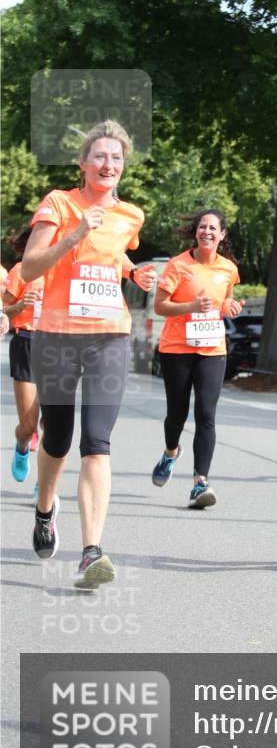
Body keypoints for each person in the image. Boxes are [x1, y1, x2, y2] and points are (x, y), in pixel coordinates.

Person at [21, 119, 156, 589]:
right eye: (100, 156)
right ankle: (44, 508)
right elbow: (29, 267)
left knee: (97, 442)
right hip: (57, 337)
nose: (109, 164)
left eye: (116, 158)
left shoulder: (131, 216)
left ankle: (91, 552)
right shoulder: (59, 204)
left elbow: (113, 253)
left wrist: (135, 273)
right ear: (83, 164)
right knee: (57, 438)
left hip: (110, 338)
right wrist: (74, 234)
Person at [151, 209, 244, 508]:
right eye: (202, 227)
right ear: (196, 232)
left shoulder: (228, 268)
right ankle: (170, 453)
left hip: (213, 350)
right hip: (177, 349)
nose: (207, 232)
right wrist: (191, 306)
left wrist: (230, 306)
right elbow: (160, 307)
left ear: (222, 234)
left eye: (213, 228)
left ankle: (199, 483)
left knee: (206, 414)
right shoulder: (178, 265)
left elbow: (226, 298)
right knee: (176, 414)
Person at [3, 226, 44, 482]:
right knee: (28, 426)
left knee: (54, 423)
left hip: (59, 346)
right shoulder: (21, 271)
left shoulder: (67, 272)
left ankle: (44, 486)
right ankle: (22, 446)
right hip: (27, 343)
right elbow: (3, 309)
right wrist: (19, 305)